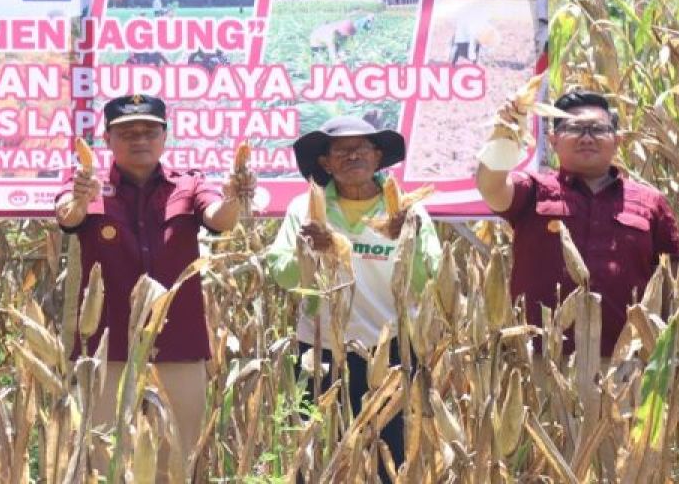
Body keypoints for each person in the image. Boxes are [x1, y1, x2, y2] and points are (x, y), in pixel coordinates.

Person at [55, 94, 253, 474]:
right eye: (127, 132)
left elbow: (219, 219)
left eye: (149, 131)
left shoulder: (189, 184)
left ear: (165, 137)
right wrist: (79, 201)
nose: (139, 139)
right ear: (108, 139)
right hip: (107, 353)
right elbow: (68, 217)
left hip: (177, 346)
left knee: (176, 460)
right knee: (104, 459)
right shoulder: (84, 185)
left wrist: (233, 196)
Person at [265, 116, 440, 481]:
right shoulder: (305, 210)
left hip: (393, 351)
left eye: (361, 148)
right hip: (321, 348)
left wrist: (408, 237)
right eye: (341, 150)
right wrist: (309, 251)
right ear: (326, 162)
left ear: (378, 157)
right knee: (317, 454)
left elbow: (431, 276)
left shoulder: (407, 211)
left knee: (388, 454)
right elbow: (282, 272)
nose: (352, 156)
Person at [476, 90, 679, 361]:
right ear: (553, 140)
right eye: (574, 128)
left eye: (598, 129)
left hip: (627, 365)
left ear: (617, 140)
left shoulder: (650, 202)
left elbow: (674, 282)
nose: (587, 137)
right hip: (542, 361)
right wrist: (504, 135)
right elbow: (491, 188)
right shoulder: (533, 190)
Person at [309, 13, 373, 63]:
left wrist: (344, 54)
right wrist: (336, 59)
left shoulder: (344, 30)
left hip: (328, 39)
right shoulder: (331, 34)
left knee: (340, 54)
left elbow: (343, 46)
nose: (347, 37)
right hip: (316, 44)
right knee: (323, 60)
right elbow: (332, 51)